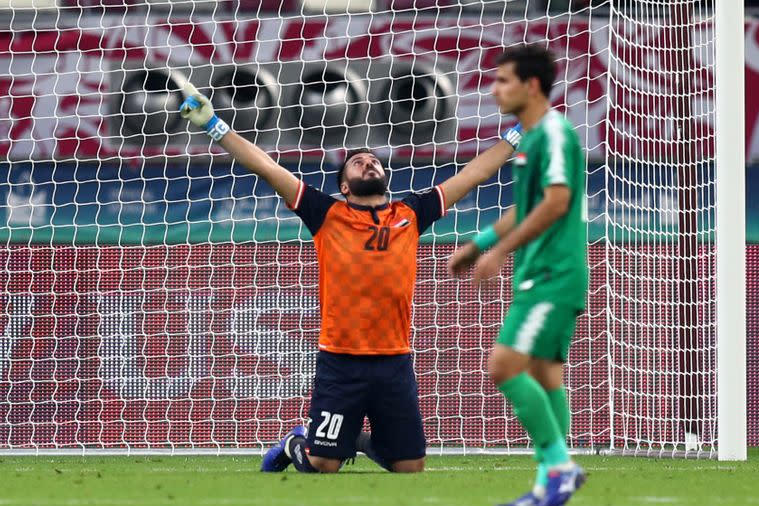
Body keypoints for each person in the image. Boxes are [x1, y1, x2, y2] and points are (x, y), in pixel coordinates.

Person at [180, 82, 522, 474]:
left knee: (410, 468)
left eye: (373, 161)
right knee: (323, 465)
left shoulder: (411, 213)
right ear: (344, 187)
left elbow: (473, 173)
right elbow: (266, 166)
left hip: (394, 360)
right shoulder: (326, 213)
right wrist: (214, 125)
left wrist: (517, 135)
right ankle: (299, 441)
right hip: (341, 363)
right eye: (358, 162)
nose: (368, 163)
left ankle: (354, 441)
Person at [448, 43, 588, 506]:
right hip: (540, 273)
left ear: (531, 86)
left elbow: (556, 202)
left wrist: (500, 252)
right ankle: (550, 483)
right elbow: (524, 209)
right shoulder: (530, 140)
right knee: (546, 377)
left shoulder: (552, 134)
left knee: (503, 366)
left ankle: (559, 467)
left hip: (551, 275)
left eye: (503, 80)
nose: (493, 89)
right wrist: (479, 245)